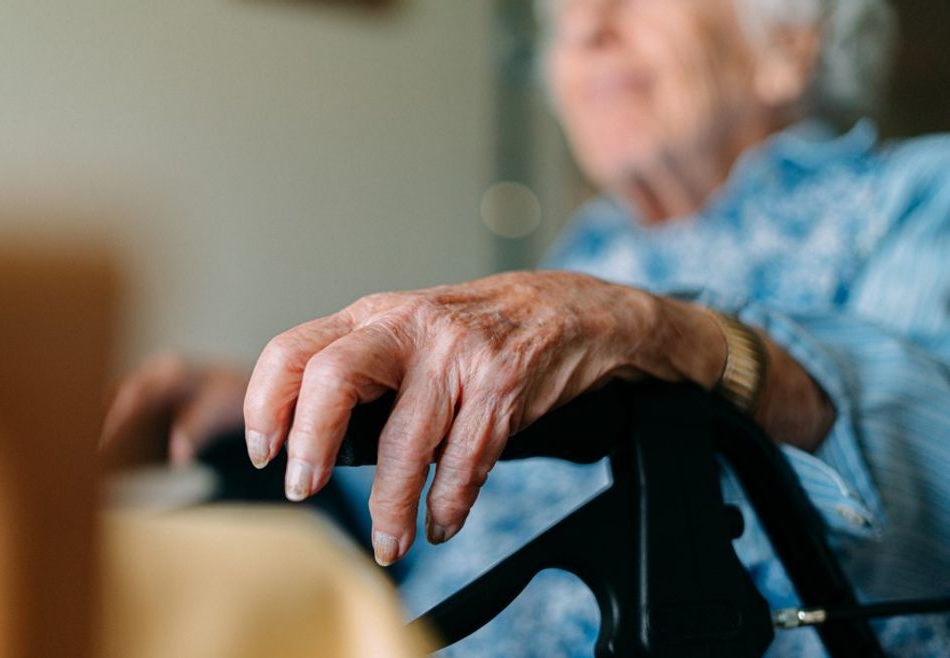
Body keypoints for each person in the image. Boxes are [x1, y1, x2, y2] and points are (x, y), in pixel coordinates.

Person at [103, 0, 950, 655]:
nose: (586, 31)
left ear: (789, 44)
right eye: (566, 15)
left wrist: (678, 339)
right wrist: (278, 413)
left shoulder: (914, 198)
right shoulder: (594, 250)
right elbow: (462, 495)